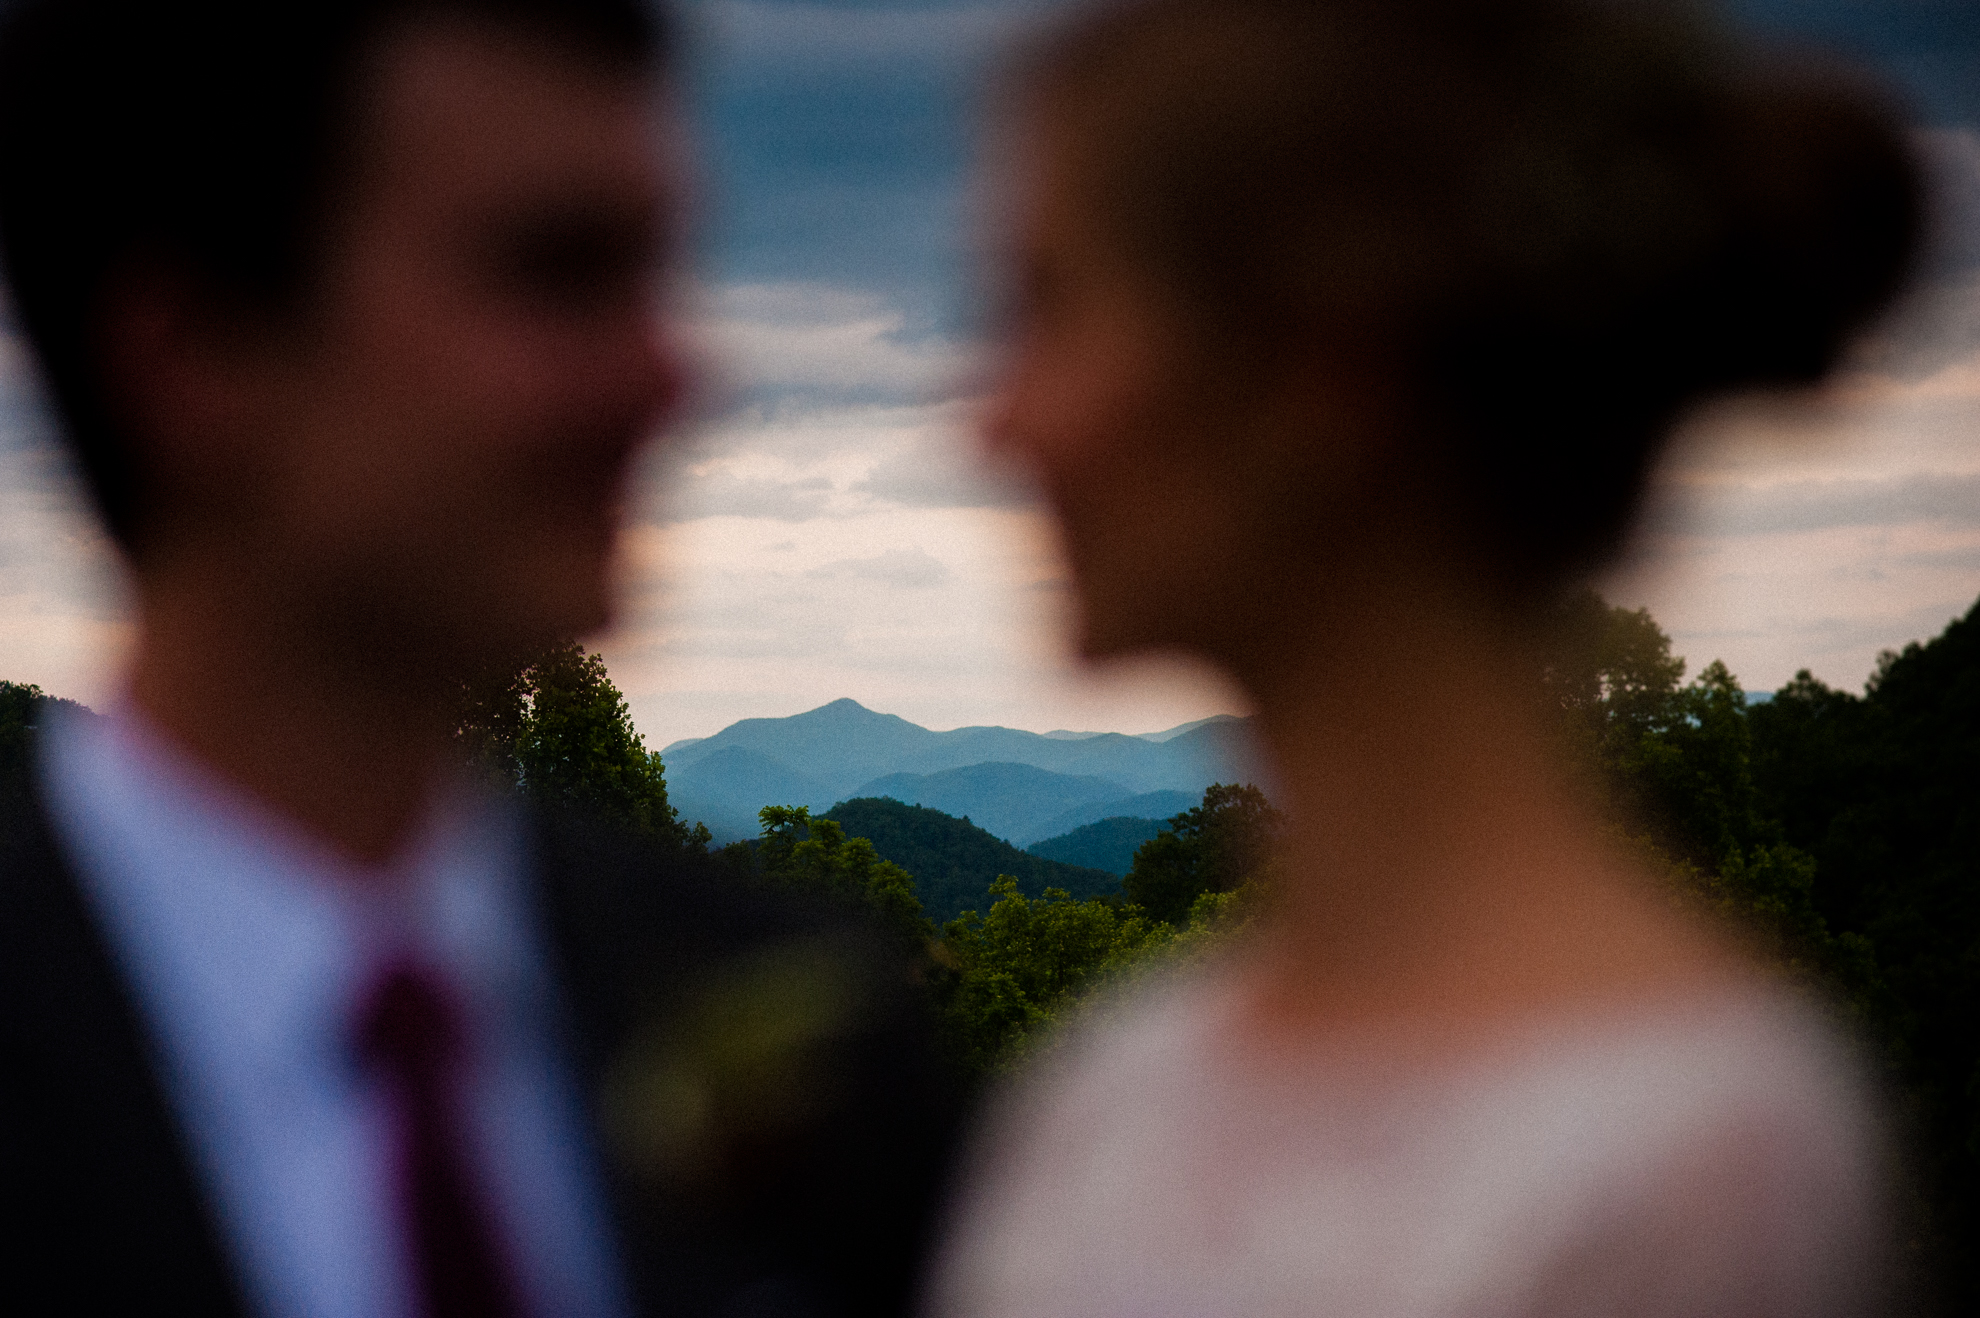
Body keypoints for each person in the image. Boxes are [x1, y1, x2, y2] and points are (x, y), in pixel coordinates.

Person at [926, 1, 1920, 1315]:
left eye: (1051, 305)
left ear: (1319, 382)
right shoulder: (1116, 1076)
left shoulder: (1691, 1164)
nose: (995, 426)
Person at [0, 2, 957, 1315]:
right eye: (557, 272)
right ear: (195, 350)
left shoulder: (819, 1037)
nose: (670, 374)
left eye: (655, 274)